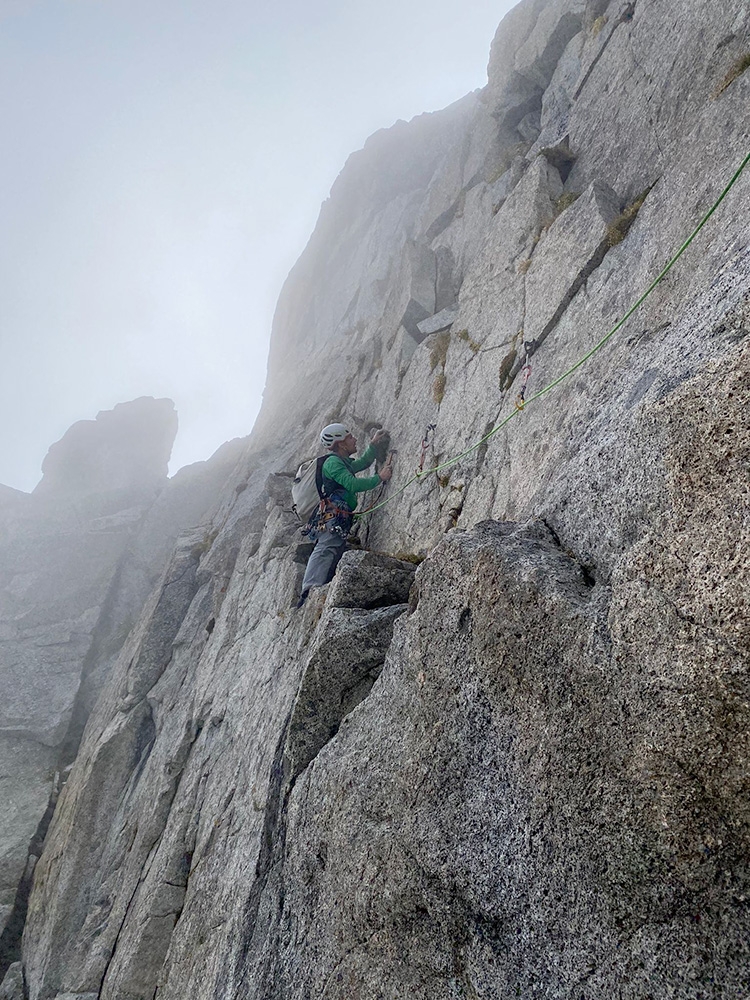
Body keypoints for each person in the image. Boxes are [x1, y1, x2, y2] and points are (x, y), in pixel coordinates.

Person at [297, 423, 392, 607]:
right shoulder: (332, 463)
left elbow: (362, 463)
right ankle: (309, 591)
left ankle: (320, 587)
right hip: (333, 514)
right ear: (341, 444)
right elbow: (353, 485)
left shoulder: (341, 462)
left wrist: (373, 444)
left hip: (339, 515)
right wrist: (380, 478)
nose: (355, 439)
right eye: (349, 437)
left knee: (335, 548)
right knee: (326, 547)